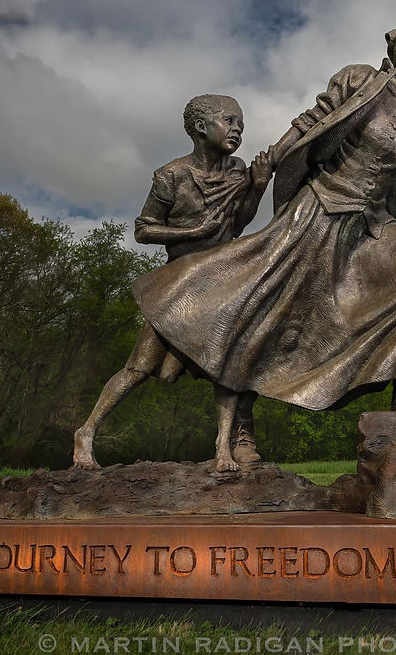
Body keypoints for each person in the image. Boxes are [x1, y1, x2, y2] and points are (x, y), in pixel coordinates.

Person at [132, 23, 396, 471]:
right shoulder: (362, 80)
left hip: (372, 223)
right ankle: (239, 425)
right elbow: (311, 122)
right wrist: (270, 163)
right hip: (318, 210)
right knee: (270, 318)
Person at [72, 94, 269, 471]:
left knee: (228, 365)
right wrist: (194, 230)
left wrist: (257, 187)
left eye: (241, 125)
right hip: (179, 286)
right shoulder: (171, 176)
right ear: (200, 127)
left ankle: (223, 449)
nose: (237, 130)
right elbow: (143, 230)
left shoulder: (237, 170)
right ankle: (86, 431)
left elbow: (237, 223)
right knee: (139, 367)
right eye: (229, 121)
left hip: (221, 282)